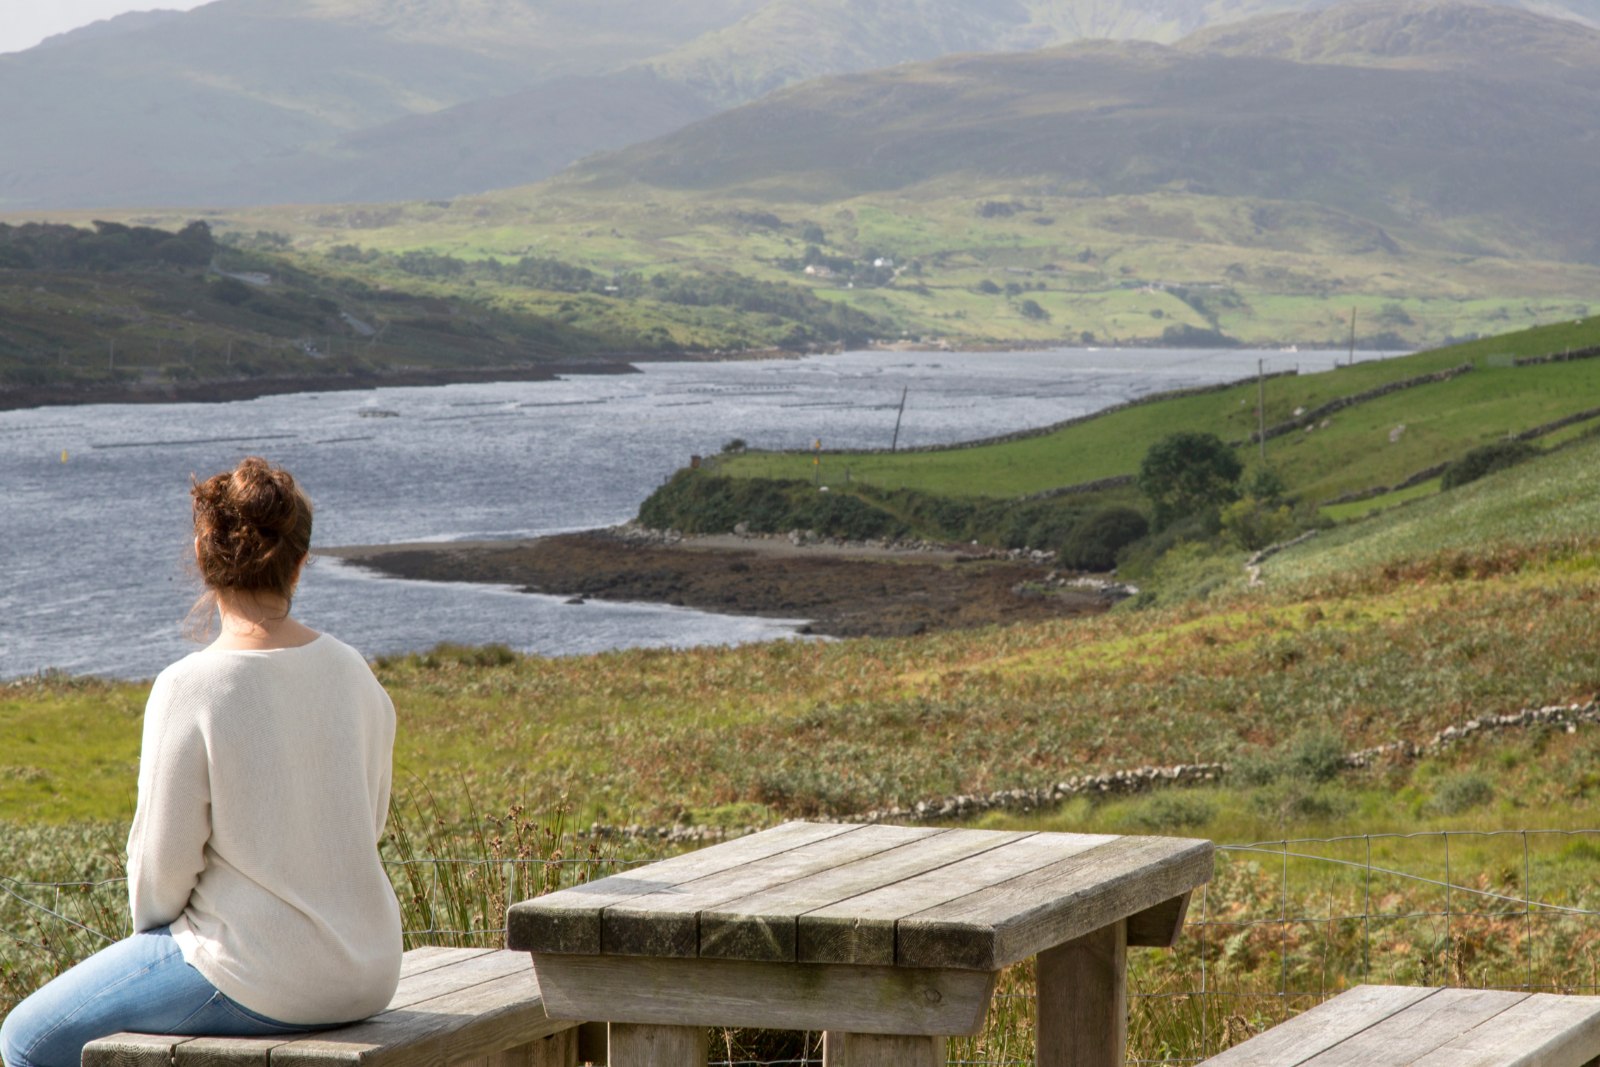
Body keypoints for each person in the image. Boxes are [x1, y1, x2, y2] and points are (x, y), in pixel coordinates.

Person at [1, 457, 401, 1067]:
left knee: (24, 1041)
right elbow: (362, 828)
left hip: (255, 975)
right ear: (299, 562)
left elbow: (160, 881)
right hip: (370, 971)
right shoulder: (354, 671)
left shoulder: (190, 686)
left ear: (203, 556)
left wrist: (157, 937)